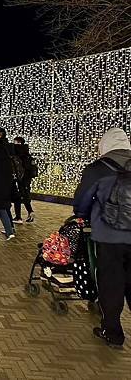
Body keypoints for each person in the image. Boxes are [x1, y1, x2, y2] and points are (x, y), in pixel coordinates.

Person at [73, 128, 131, 349]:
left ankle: (113, 332)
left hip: (110, 235)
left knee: (111, 283)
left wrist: (82, 216)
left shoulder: (99, 168)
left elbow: (82, 200)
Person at [12, 136, 35, 223]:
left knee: (18, 196)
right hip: (26, 178)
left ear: (18, 142)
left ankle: (19, 217)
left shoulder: (18, 151)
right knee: (24, 195)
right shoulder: (27, 153)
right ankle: (30, 212)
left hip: (20, 177)